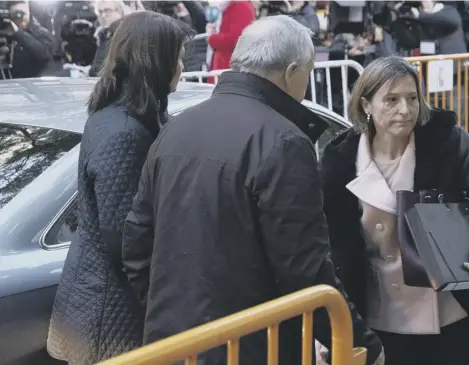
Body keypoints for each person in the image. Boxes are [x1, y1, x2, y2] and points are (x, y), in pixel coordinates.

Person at [122, 15, 384, 365]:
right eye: (307, 73)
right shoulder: (284, 140)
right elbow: (304, 267)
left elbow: (137, 243)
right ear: (292, 73)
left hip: (172, 344)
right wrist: (359, 344)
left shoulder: (178, 127)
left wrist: (165, 312)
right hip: (253, 346)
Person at [319, 56, 469, 365]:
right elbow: (323, 243)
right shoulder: (339, 160)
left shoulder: (445, 141)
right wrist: (327, 327)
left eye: (412, 98)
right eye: (392, 100)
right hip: (381, 324)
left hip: (456, 314)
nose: (405, 110)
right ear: (366, 104)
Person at [47, 11, 192, 365]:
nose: (183, 65)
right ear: (156, 59)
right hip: (108, 310)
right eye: (178, 54)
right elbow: (124, 237)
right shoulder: (125, 131)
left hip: (100, 299)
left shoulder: (121, 114)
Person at [1, 1, 55, 79]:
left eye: (21, 13)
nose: (19, 17)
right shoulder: (6, 33)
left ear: (29, 12)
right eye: (15, 15)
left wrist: (18, 33)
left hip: (34, 81)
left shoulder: (40, 32)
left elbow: (45, 55)